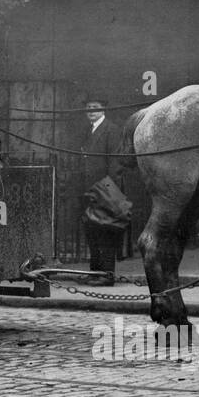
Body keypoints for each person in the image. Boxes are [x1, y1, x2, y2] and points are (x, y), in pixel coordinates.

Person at [79, 96, 127, 285]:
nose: (91, 111)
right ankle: (95, 272)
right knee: (92, 233)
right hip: (89, 191)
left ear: (103, 109)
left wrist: (108, 194)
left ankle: (106, 275)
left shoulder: (111, 130)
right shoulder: (88, 130)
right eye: (88, 108)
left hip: (105, 192)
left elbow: (114, 164)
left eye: (95, 108)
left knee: (105, 234)